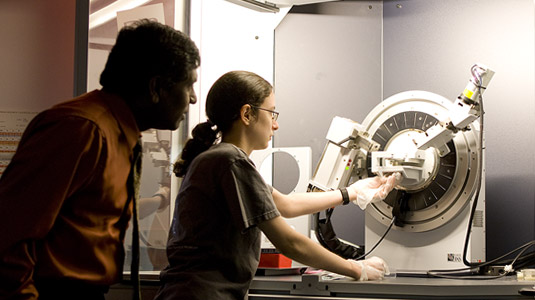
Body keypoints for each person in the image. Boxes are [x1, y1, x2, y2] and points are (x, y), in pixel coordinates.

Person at [154, 71, 399, 300]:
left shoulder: (217, 158)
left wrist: (352, 192)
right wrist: (355, 269)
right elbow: (288, 242)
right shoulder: (231, 161)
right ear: (247, 114)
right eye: (272, 113)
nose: (275, 124)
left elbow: (285, 204)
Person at [0, 20, 200, 300]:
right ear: (156, 87)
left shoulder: (118, 133)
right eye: (189, 85)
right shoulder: (81, 129)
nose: (192, 99)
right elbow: (9, 232)